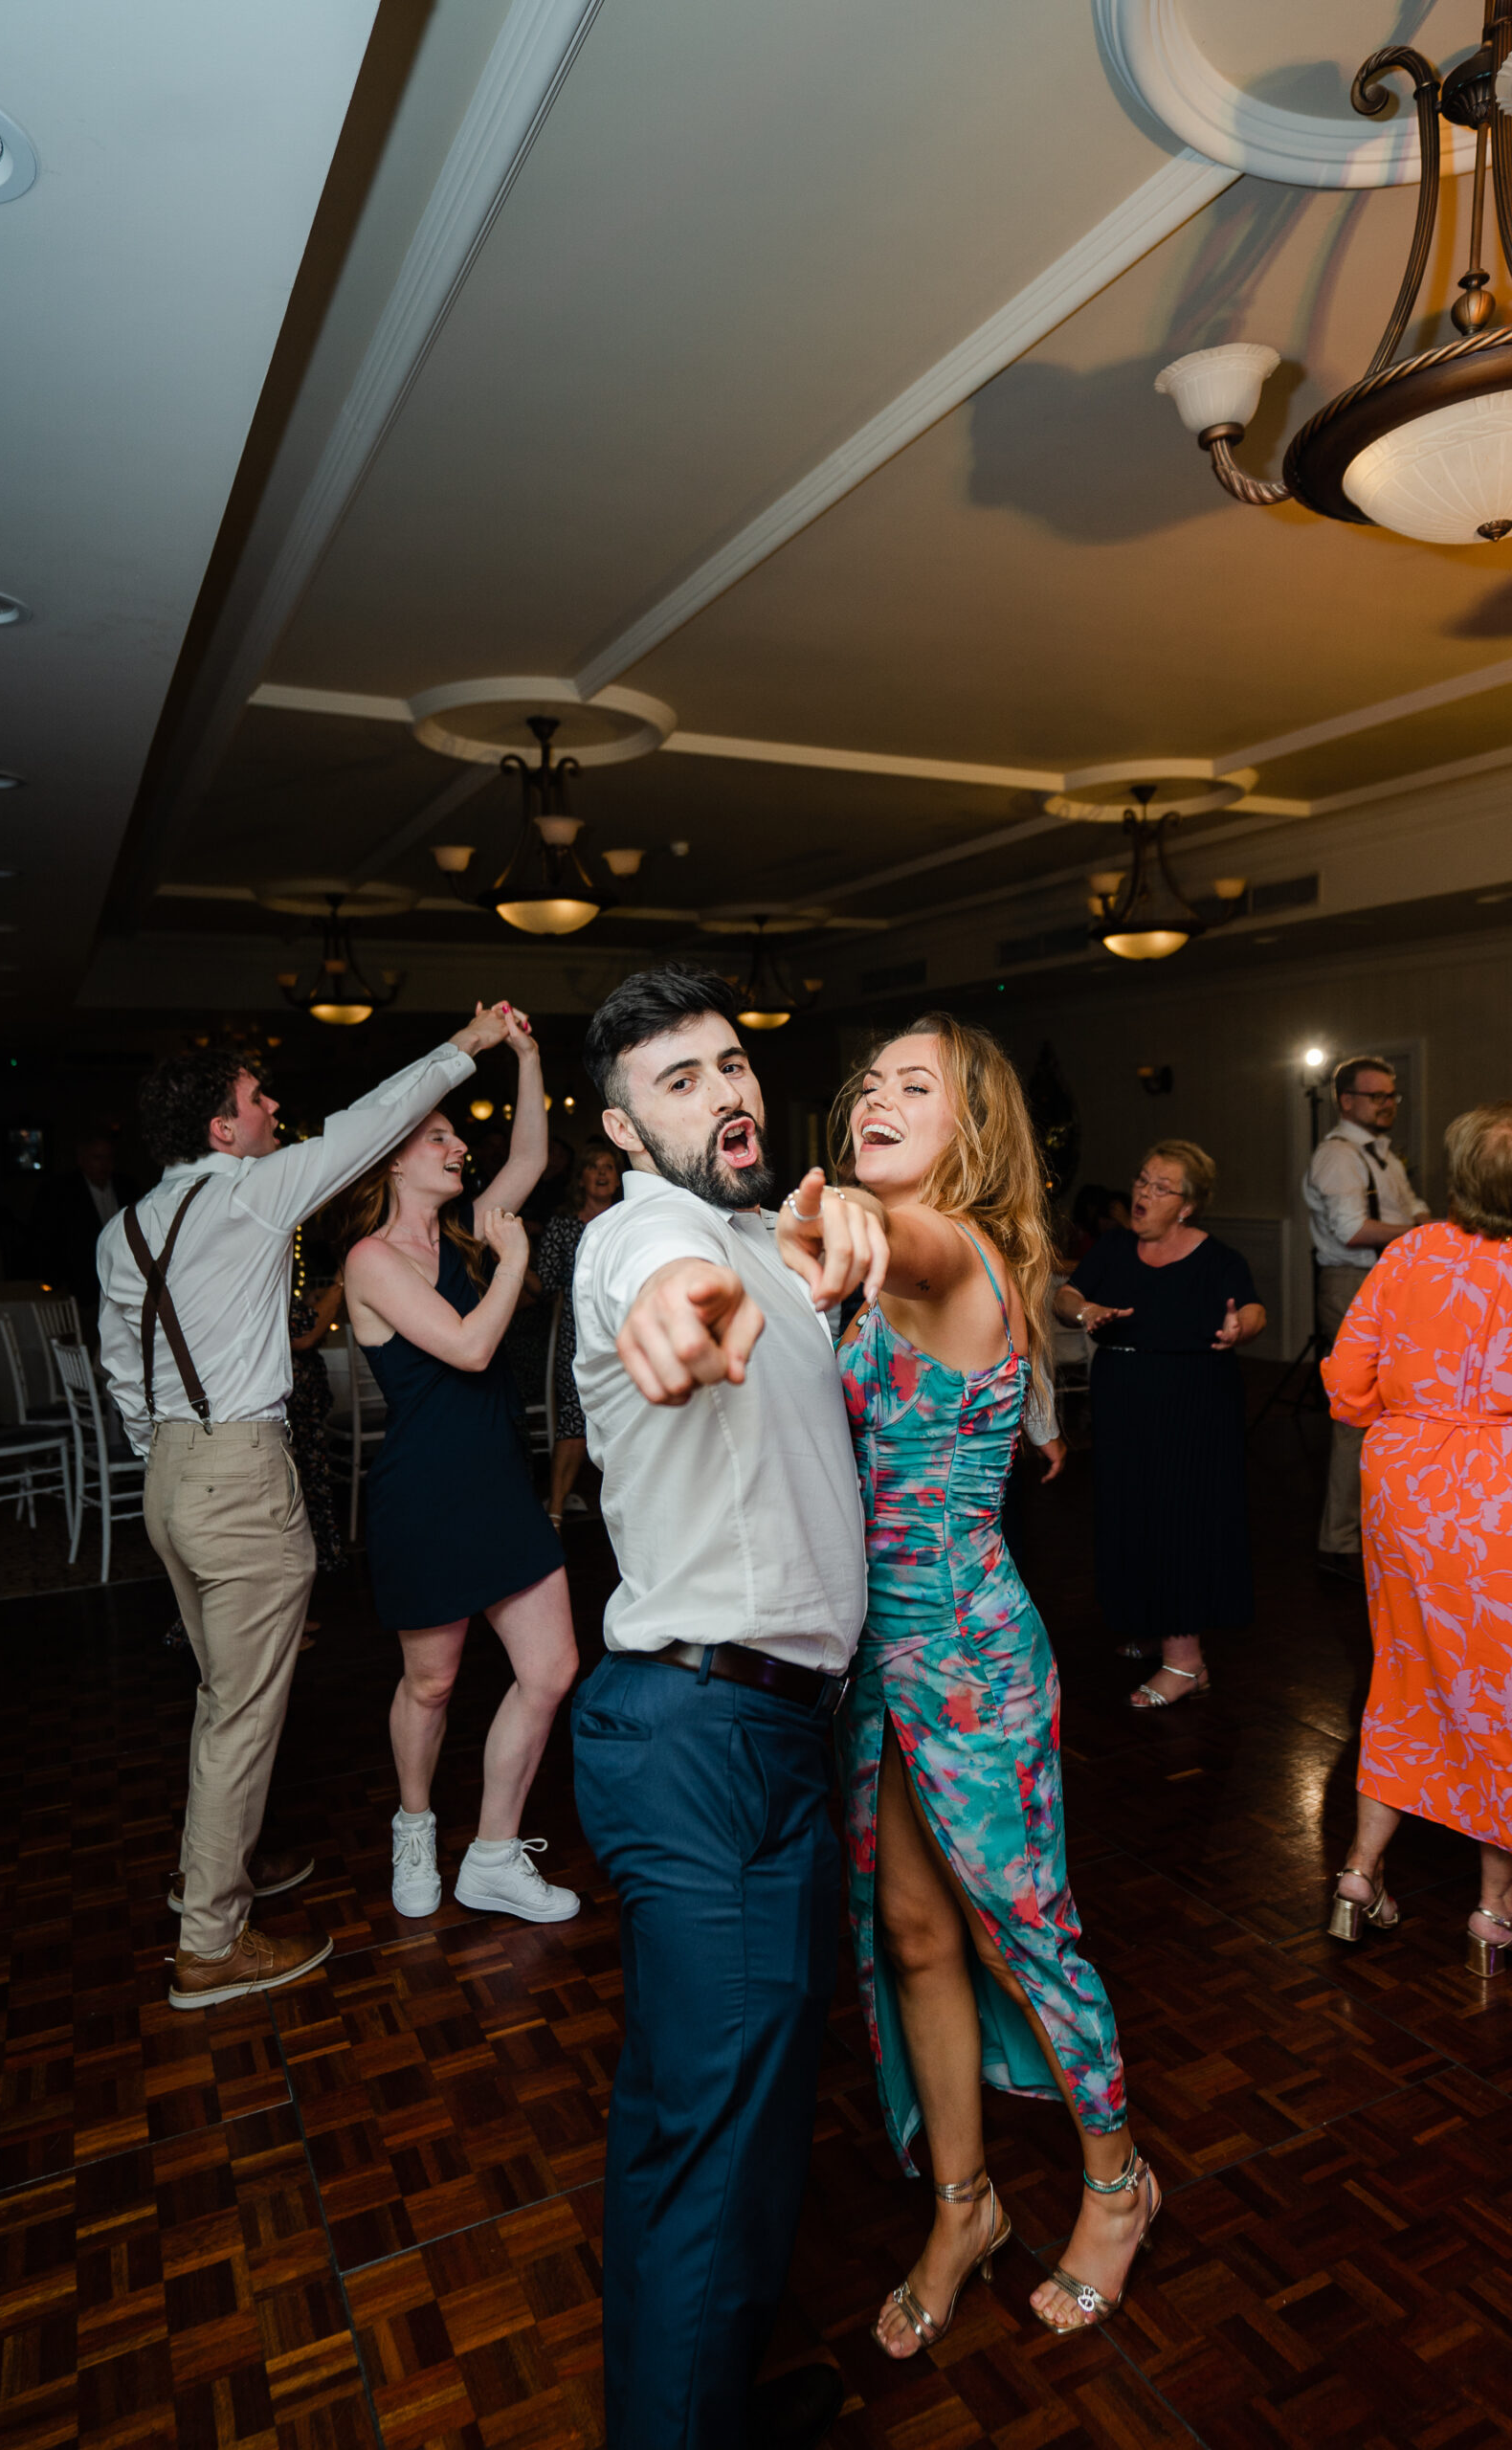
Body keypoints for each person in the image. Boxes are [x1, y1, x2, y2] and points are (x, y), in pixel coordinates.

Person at [779, 1015, 1157, 2360]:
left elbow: (898, 1245)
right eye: (866, 1081)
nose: (876, 1096)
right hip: (869, 1665)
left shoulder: (950, 1254)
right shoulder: (871, 1259)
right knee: (914, 1939)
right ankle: (964, 2206)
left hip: (969, 1658)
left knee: (1016, 1931)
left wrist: (820, 1234)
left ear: (972, 1133)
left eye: (913, 1086)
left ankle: (1117, 2186)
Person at [569, 965, 869, 2450]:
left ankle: (694, 2406)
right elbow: (656, 1288)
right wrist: (676, 1314)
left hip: (748, 1730)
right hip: (709, 1739)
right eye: (677, 1080)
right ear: (622, 1130)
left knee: (706, 2128)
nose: (725, 1091)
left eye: (731, 1063)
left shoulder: (759, 1238)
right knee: (719, 2143)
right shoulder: (649, 1235)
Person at [99, 1004, 517, 2009]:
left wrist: (173, 1458)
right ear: (220, 1130)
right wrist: (466, 1044)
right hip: (238, 1478)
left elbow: (123, 1371)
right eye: (256, 1099)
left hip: (168, 1480)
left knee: (219, 1696)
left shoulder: (124, 1229)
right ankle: (210, 1939)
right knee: (240, 1714)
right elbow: (374, 1122)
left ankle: (212, 1870)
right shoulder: (245, 1195)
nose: (273, 1106)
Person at [1323, 1099, 1512, 1973]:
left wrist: (1421, 1427)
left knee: (1409, 1676)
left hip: (1407, 1495)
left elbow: (1347, 1386)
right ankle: (1495, 1913)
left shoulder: (1410, 1254)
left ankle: (1358, 1873)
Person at [341, 1008, 578, 1928]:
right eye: (437, 1137)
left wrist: (525, 1053)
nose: (456, 1150)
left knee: (551, 1669)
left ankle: (490, 1855)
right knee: (431, 1683)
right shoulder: (370, 1259)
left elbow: (526, 1153)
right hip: (427, 1496)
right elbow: (473, 1349)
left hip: (498, 1487)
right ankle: (413, 1825)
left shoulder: (474, 1232)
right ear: (394, 1159)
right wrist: (516, 1262)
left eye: (453, 1137)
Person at [1056, 1141, 1265, 1705]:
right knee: (1134, 1511)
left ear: (1187, 1207)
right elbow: (1067, 1294)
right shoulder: (1117, 1247)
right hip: (1126, 1400)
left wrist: (1239, 1330)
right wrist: (1084, 1312)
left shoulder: (1218, 1259)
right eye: (1142, 1181)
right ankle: (1159, 1624)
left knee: (1179, 1519)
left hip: (1192, 1404)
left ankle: (1186, 1662)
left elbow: (1252, 1308)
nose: (1143, 1195)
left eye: (1160, 1188)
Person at [1302, 1057, 1429, 1586]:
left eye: (1392, 1095)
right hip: (1351, 1286)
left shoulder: (1381, 1155)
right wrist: (1423, 1234)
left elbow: (1411, 1206)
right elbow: (1354, 1230)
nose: (1388, 1104)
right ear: (1346, 1100)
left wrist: (1423, 1223)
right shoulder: (1337, 1157)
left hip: (1385, 1285)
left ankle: (1369, 1533)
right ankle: (1339, 1542)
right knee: (1357, 1413)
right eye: (1377, 1096)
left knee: (1386, 1411)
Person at [526, 1135, 622, 1527]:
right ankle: (556, 1511)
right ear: (580, 1178)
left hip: (628, 1334)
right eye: (593, 1166)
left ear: (618, 1180)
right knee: (574, 1419)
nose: (601, 1173)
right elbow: (544, 1284)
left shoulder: (630, 1220)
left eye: (609, 1167)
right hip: (577, 1336)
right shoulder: (564, 1227)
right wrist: (510, 1261)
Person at [287, 1272, 346, 1634]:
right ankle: (287, 1625)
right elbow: (304, 1335)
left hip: (301, 1415)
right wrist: (339, 1284)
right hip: (290, 1415)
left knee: (301, 1513)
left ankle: (293, 1618)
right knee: (294, 1514)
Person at [30, 1132, 136, 1324]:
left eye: (109, 1157)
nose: (105, 1164)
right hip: (81, 1291)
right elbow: (47, 1241)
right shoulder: (60, 1193)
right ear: (81, 1160)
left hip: (125, 1289)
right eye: (98, 1158)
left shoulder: (127, 1187)